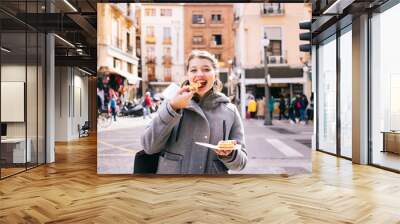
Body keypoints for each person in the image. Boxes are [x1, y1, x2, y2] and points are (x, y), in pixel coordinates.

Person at [141, 50, 247, 174]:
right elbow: (149, 146)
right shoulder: (171, 102)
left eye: (206, 69)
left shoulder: (230, 111)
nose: (200, 74)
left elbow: (241, 163)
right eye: (193, 70)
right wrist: (172, 108)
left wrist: (230, 154)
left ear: (215, 74)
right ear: (188, 75)